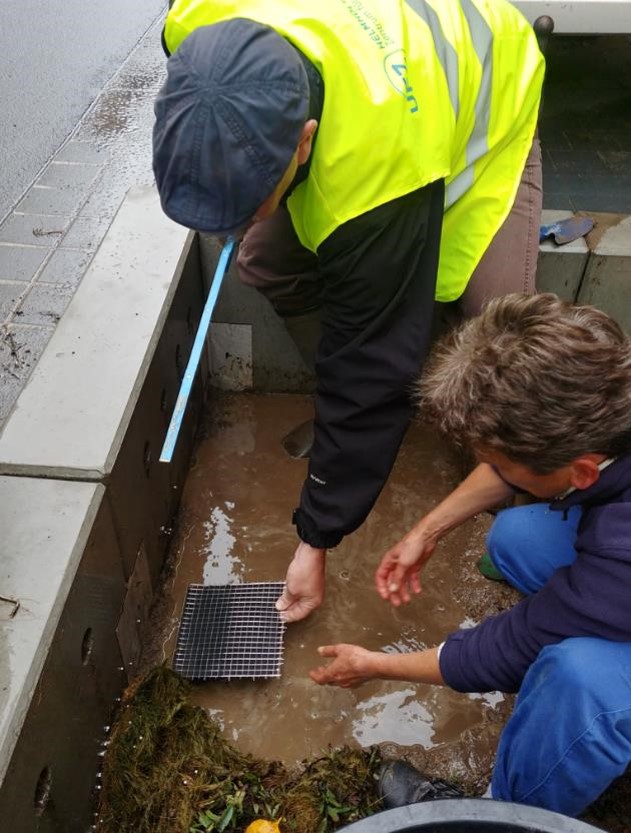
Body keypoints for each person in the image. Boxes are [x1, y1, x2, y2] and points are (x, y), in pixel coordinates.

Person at [152, 0, 544, 623]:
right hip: (381, 73)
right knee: (264, 258)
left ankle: (523, 511)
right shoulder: (198, 26)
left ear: (304, 142)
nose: (236, 226)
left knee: (500, 340)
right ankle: (375, 416)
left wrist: (317, 538)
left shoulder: (377, 170)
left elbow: (370, 361)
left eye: (250, 203)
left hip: (484, 108)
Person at [310, 293, 631, 817]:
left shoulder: (624, 552)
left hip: (617, 586)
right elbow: (521, 463)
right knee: (517, 537)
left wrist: (375, 665)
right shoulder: (612, 395)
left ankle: (509, 814)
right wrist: (426, 530)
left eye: (503, 464)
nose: (495, 470)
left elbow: (508, 648)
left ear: (583, 474)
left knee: (578, 677)